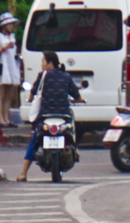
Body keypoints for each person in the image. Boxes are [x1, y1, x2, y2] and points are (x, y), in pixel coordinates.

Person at [15, 50, 82, 182]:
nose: (41, 64)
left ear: (50, 64)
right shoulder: (66, 76)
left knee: (34, 140)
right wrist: (81, 99)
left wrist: (30, 98)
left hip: (45, 116)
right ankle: (75, 150)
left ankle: (23, 173)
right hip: (63, 115)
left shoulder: (43, 76)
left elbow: (33, 92)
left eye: (43, 62)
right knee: (72, 132)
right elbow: (77, 95)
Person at [0, 12, 22, 128]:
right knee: (1, 93)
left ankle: (7, 118)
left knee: (9, 94)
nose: (12, 27)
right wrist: (4, 47)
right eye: (10, 24)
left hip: (11, 66)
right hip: (2, 67)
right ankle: (0, 119)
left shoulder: (11, 37)